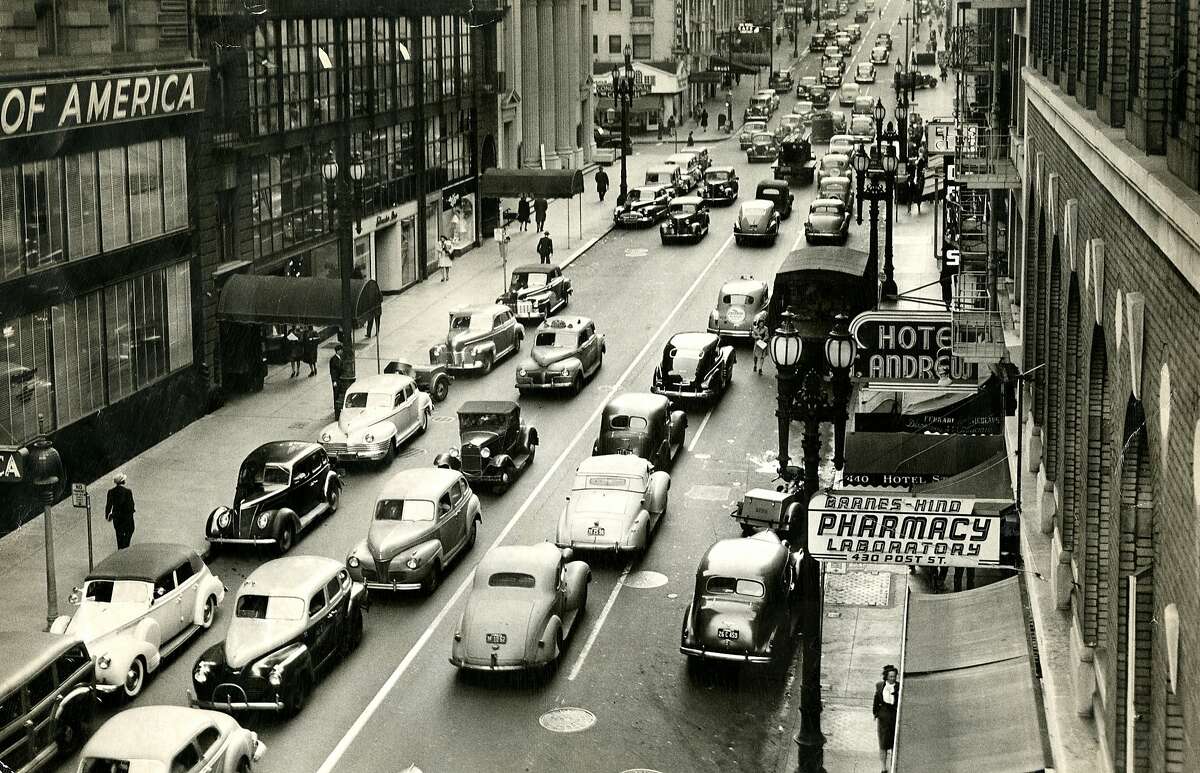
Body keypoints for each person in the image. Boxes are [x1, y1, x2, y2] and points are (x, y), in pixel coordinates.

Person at [873, 665, 900, 773]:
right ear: (886, 677)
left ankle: (893, 766)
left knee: (894, 742)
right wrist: (876, 713)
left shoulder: (899, 686)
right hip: (883, 718)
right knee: (883, 744)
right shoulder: (879, 686)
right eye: (891, 676)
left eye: (894, 676)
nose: (893, 678)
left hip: (894, 717)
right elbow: (875, 700)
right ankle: (883, 768)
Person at [105, 473, 136, 550]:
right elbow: (131, 505)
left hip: (116, 517)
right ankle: (125, 546)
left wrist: (108, 516)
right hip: (127, 517)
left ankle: (120, 548)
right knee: (130, 530)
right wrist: (131, 513)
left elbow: (108, 505)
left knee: (119, 534)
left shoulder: (111, 491)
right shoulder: (128, 491)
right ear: (123, 481)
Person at [329, 342, 345, 418]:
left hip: (341, 380)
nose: (342, 352)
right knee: (336, 395)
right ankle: (337, 413)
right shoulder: (333, 360)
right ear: (338, 351)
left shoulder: (341, 358)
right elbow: (332, 372)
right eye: (341, 350)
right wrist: (334, 381)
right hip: (337, 381)